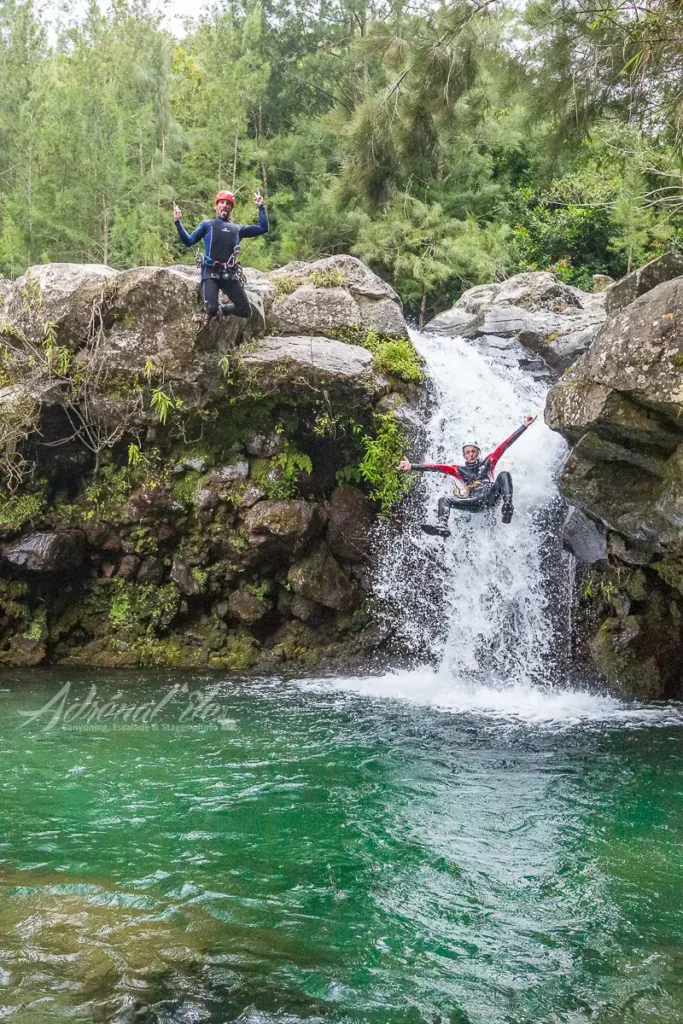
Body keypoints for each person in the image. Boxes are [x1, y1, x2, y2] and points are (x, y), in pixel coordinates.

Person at [397, 416, 536, 537]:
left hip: (491, 496)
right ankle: (442, 526)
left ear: (478, 453)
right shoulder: (459, 470)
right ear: (464, 455)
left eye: (473, 451)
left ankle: (507, 507)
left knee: (504, 475)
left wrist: (524, 426)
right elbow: (436, 467)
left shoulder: (488, 462)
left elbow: (505, 445)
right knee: (444, 500)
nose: (471, 454)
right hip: (474, 502)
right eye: (468, 452)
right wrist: (412, 466)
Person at [173, 189, 268, 327]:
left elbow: (262, 228)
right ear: (216, 206)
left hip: (228, 274)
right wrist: (178, 222)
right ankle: (213, 309)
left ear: (231, 208)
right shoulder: (207, 225)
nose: (224, 206)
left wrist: (260, 206)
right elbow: (189, 241)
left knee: (245, 311)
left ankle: (222, 309)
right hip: (210, 272)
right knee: (210, 308)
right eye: (222, 203)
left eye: (228, 204)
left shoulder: (237, 229)